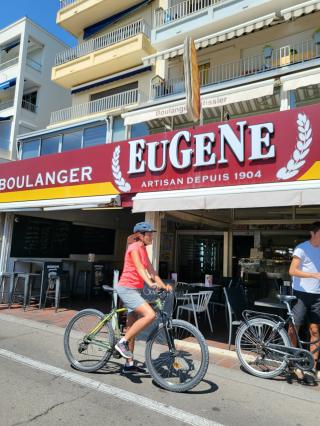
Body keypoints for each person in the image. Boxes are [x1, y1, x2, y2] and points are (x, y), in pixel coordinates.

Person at [115, 221, 171, 374]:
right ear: (140, 235)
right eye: (149, 234)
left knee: (132, 328)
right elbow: (140, 269)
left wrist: (163, 285)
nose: (151, 236)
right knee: (150, 315)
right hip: (127, 289)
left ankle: (129, 364)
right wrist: (150, 284)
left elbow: (152, 272)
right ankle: (122, 343)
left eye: (152, 234)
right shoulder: (134, 247)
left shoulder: (144, 250)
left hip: (136, 290)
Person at [288, 221, 320, 383]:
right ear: (313, 233)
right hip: (300, 295)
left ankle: (311, 366)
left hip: (317, 296)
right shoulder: (302, 248)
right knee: (294, 328)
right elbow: (292, 270)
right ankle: (291, 360)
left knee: (315, 330)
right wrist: (313, 275)